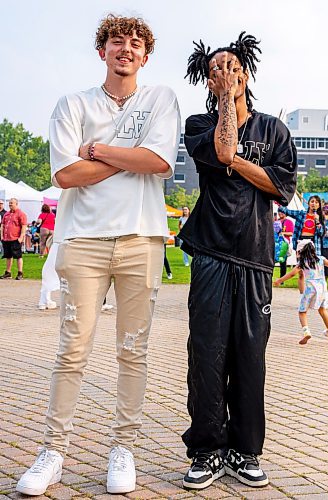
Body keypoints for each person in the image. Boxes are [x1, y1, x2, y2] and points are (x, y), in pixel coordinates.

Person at [16, 13, 180, 497]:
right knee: (72, 351)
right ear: (102, 51)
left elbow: (160, 162)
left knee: (133, 352)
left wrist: (100, 151)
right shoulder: (73, 103)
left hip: (141, 238)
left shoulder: (160, 99)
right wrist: (126, 157)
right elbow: (65, 175)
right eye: (115, 41)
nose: (125, 48)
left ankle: (122, 449)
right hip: (83, 240)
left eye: (134, 43)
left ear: (145, 55)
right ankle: (53, 451)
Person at [178, 33, 297, 490]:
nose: (224, 74)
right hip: (210, 253)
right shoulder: (197, 125)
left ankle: (245, 451)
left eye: (231, 67)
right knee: (206, 355)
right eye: (215, 70)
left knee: (250, 358)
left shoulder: (274, 131)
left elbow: (280, 188)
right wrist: (226, 106)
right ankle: (206, 451)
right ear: (206, 82)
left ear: (246, 72)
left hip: (255, 258)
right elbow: (224, 151)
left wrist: (249, 168)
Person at [274, 240, 328, 344]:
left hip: (310, 289)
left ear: (301, 251)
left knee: (302, 311)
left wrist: (279, 280)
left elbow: (292, 274)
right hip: (322, 288)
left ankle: (306, 332)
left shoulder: (302, 263)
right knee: (322, 310)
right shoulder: (321, 259)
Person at [0, 198, 27, 280]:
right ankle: (8, 273)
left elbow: (24, 226)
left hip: (15, 238)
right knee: (8, 256)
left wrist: (21, 237)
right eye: (9, 203)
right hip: (6, 239)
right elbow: (2, 225)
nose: (10, 204)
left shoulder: (21, 214)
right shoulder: (6, 214)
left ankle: (20, 273)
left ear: (16, 204)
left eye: (12, 203)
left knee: (18, 256)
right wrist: (1, 236)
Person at [278, 210, 294, 277]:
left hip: (284, 244)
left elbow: (291, 233)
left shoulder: (289, 222)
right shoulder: (276, 221)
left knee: (282, 261)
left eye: (282, 212)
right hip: (275, 242)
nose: (280, 213)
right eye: (279, 211)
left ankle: (282, 279)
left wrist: (282, 233)